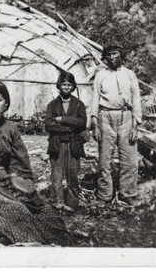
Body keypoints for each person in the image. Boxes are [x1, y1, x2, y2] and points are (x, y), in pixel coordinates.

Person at [0, 80, 73, 246]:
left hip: (4, 179)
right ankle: (32, 246)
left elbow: (19, 159)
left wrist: (16, 177)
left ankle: (60, 246)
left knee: (43, 209)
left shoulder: (10, 128)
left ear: (6, 103)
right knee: (15, 208)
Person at [91, 42, 142, 207]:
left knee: (129, 160)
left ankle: (128, 193)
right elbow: (95, 99)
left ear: (120, 54)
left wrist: (135, 125)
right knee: (105, 160)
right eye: (108, 55)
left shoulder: (130, 75)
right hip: (105, 117)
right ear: (104, 58)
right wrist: (94, 123)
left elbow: (136, 100)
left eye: (114, 53)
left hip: (126, 117)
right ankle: (104, 195)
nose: (111, 57)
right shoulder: (100, 75)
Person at [44, 71, 87, 211]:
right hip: (57, 143)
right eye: (63, 85)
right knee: (57, 173)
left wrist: (62, 119)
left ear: (73, 86)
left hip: (74, 144)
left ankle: (72, 201)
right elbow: (49, 124)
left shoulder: (79, 104)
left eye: (69, 85)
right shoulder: (52, 105)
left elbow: (82, 123)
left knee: (73, 173)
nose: (66, 87)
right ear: (59, 86)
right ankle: (57, 202)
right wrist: (69, 129)